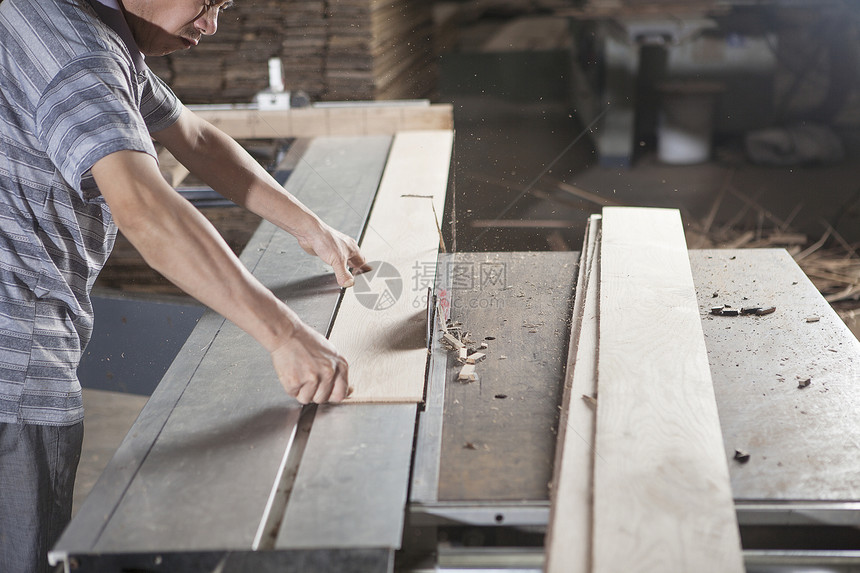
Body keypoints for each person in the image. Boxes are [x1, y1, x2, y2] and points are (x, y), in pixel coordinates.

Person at [0, 0, 369, 570]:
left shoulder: (67, 18)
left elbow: (191, 136)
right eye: (204, 2)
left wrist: (310, 226)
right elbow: (145, 209)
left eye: (223, 7)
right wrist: (285, 335)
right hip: (13, 364)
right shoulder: (81, 56)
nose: (211, 25)